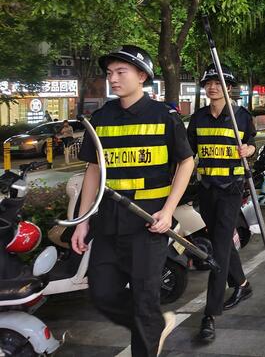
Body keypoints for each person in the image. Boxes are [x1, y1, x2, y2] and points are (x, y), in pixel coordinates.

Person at [71, 45, 195, 357]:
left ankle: (147, 329)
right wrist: (82, 221)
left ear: (142, 76)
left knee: (143, 299)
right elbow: (94, 170)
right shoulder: (100, 118)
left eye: (120, 72)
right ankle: (153, 323)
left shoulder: (165, 116)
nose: (112, 78)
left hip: (148, 224)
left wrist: (168, 211)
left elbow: (186, 162)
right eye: (109, 73)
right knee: (102, 293)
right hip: (108, 222)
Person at [187, 64, 256, 343]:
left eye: (218, 83)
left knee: (218, 247)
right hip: (206, 189)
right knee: (221, 241)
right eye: (208, 83)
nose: (213, 87)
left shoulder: (242, 116)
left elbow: (252, 144)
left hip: (231, 189)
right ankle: (242, 283)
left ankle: (210, 313)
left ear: (229, 88)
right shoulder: (198, 118)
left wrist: (248, 149)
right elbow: (188, 154)